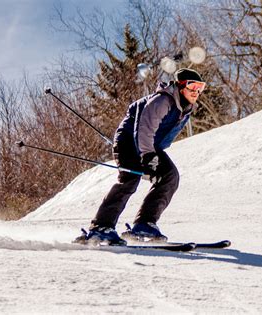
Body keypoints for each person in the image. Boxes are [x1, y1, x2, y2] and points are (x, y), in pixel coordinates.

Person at [81, 68, 206, 245]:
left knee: (170, 176)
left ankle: (144, 223)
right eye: (192, 86)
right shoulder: (163, 100)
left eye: (200, 87)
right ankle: (101, 226)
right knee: (130, 178)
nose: (197, 92)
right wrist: (147, 156)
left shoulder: (185, 107)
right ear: (179, 86)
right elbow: (146, 127)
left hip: (148, 146)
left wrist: (152, 157)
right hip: (129, 142)